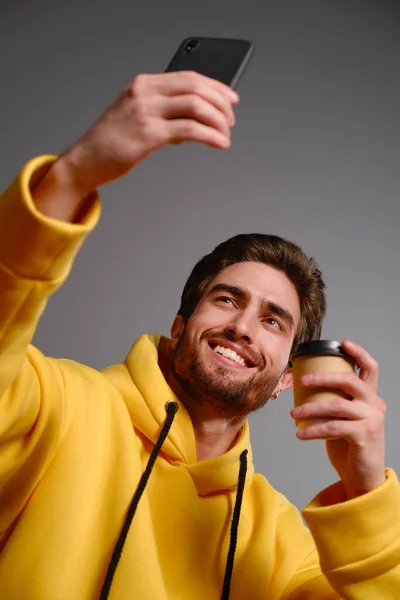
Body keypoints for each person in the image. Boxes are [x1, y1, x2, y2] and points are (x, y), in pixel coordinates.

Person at [0, 70, 399, 600]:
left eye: (273, 320)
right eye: (227, 299)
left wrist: (367, 489)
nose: (241, 326)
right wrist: (71, 178)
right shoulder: (55, 406)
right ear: (179, 327)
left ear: (287, 377)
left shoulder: (281, 547)